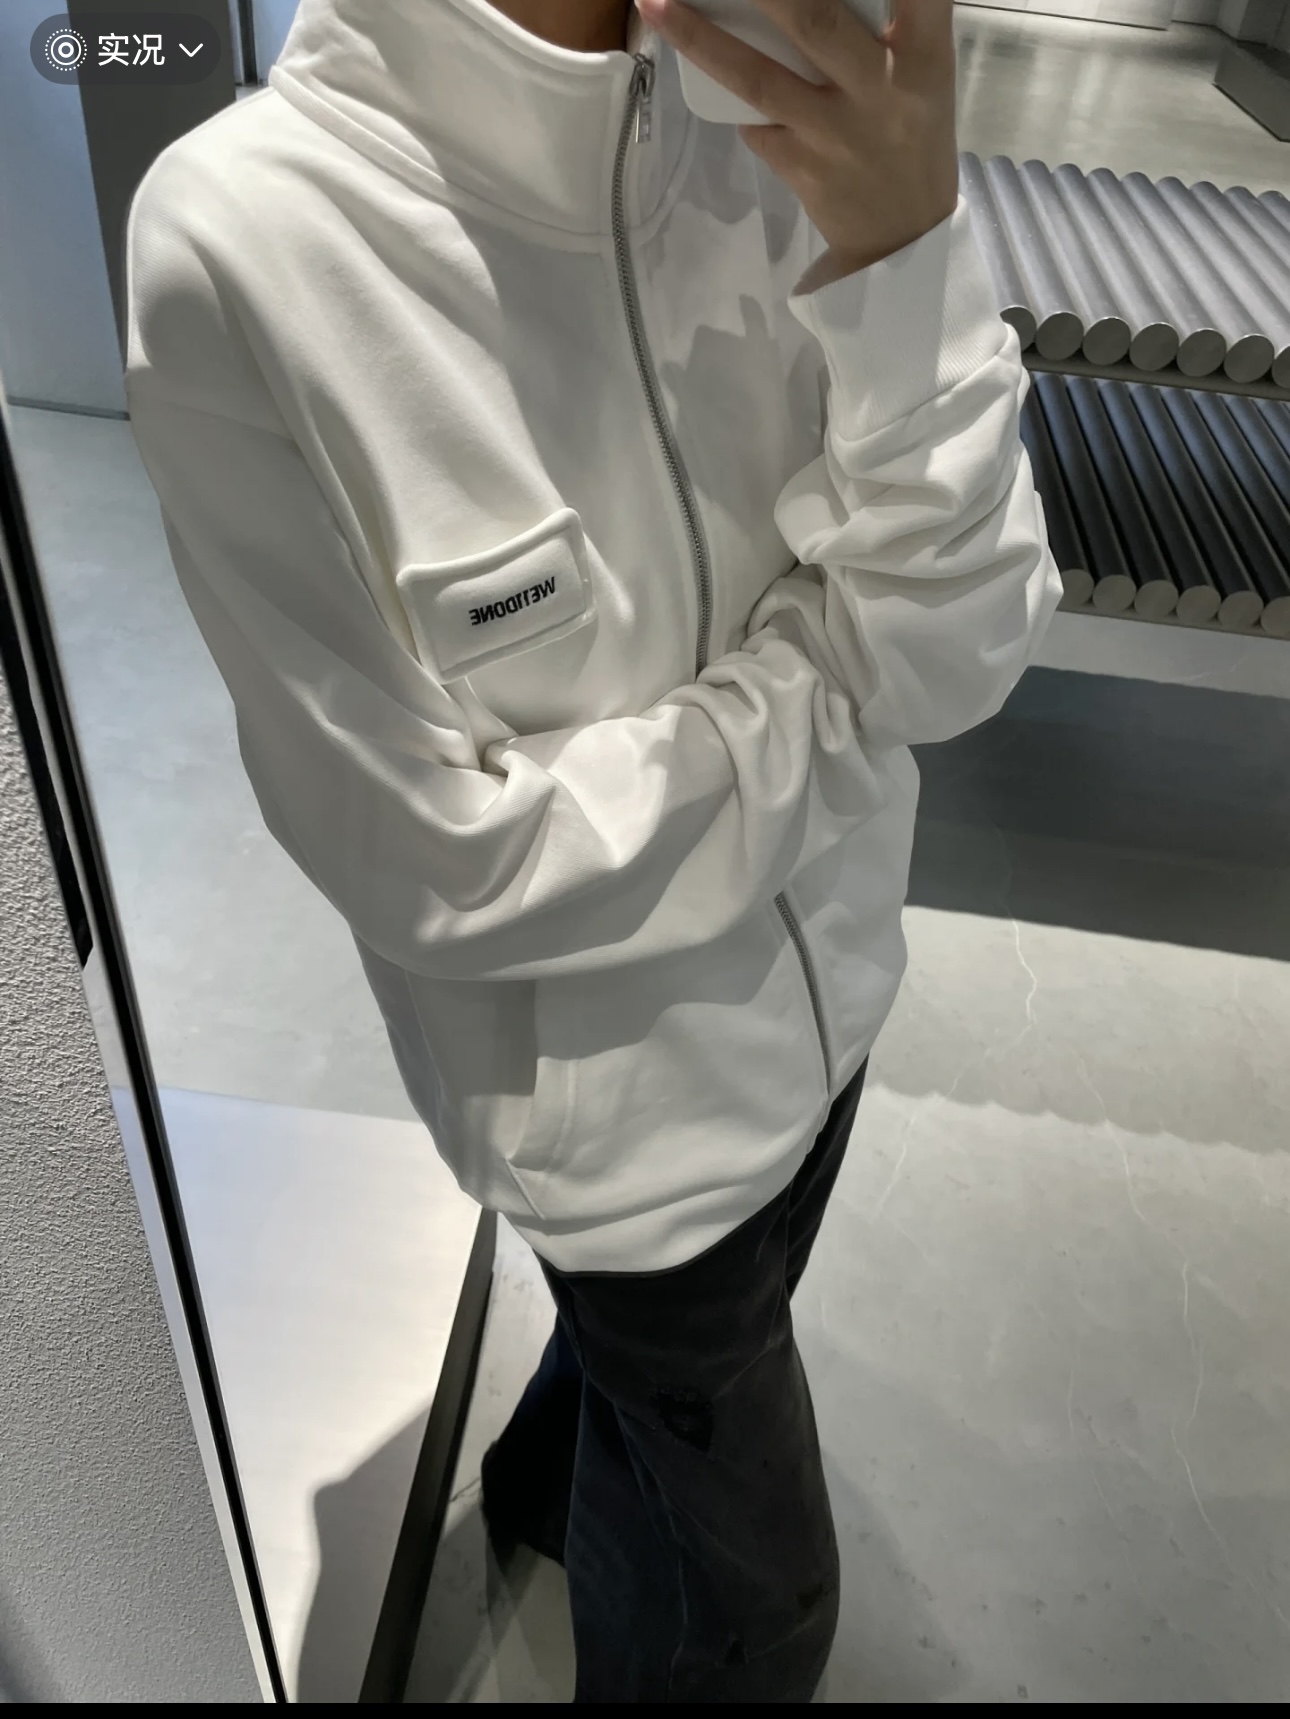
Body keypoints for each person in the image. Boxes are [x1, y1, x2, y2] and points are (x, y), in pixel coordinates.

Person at [125, 0, 1060, 1701]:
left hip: (839, 995)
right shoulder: (247, 239)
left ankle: (546, 1492)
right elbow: (441, 861)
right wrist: (829, 668)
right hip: (616, 1147)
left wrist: (907, 248)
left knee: (634, 1411)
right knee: (757, 1614)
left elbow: (965, 646)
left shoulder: (790, 117)